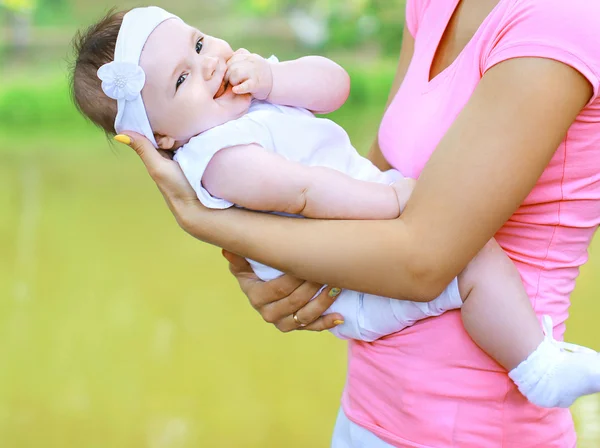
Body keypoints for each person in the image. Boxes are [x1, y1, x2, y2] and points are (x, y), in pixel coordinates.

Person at [77, 0, 600, 445]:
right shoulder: (222, 151)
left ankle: (537, 365)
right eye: (183, 79)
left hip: (471, 427)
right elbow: (335, 186)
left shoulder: (559, 19)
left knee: (475, 263)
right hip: (369, 408)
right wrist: (277, 262)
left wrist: (274, 79)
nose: (209, 66)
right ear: (160, 135)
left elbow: (423, 260)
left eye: (198, 46)